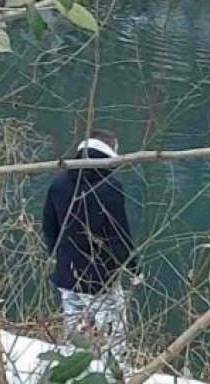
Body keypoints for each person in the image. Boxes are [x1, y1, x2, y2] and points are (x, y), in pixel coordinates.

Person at [42, 132, 138, 371]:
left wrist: (61, 257)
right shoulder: (110, 187)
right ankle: (118, 375)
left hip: (67, 274)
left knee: (74, 334)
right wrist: (134, 267)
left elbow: (49, 228)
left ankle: (72, 374)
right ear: (111, 153)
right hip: (101, 279)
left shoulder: (58, 182)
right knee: (113, 337)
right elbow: (119, 235)